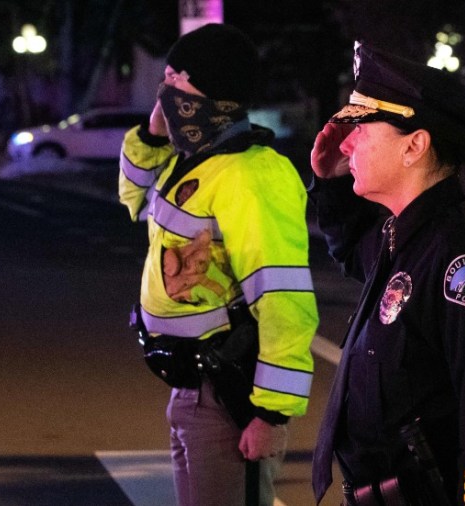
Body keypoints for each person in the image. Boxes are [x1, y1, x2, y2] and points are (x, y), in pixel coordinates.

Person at [309, 42, 465, 505]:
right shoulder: (403, 236)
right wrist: (333, 183)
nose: (347, 141)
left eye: (362, 128)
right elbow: (354, 250)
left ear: (415, 145)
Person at [117, 23, 319, 506]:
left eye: (176, 79)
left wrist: (271, 416)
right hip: (190, 391)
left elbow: (284, 298)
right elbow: (131, 197)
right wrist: (151, 132)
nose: (165, 90)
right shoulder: (191, 160)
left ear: (212, 91)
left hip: (231, 399)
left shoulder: (251, 173)